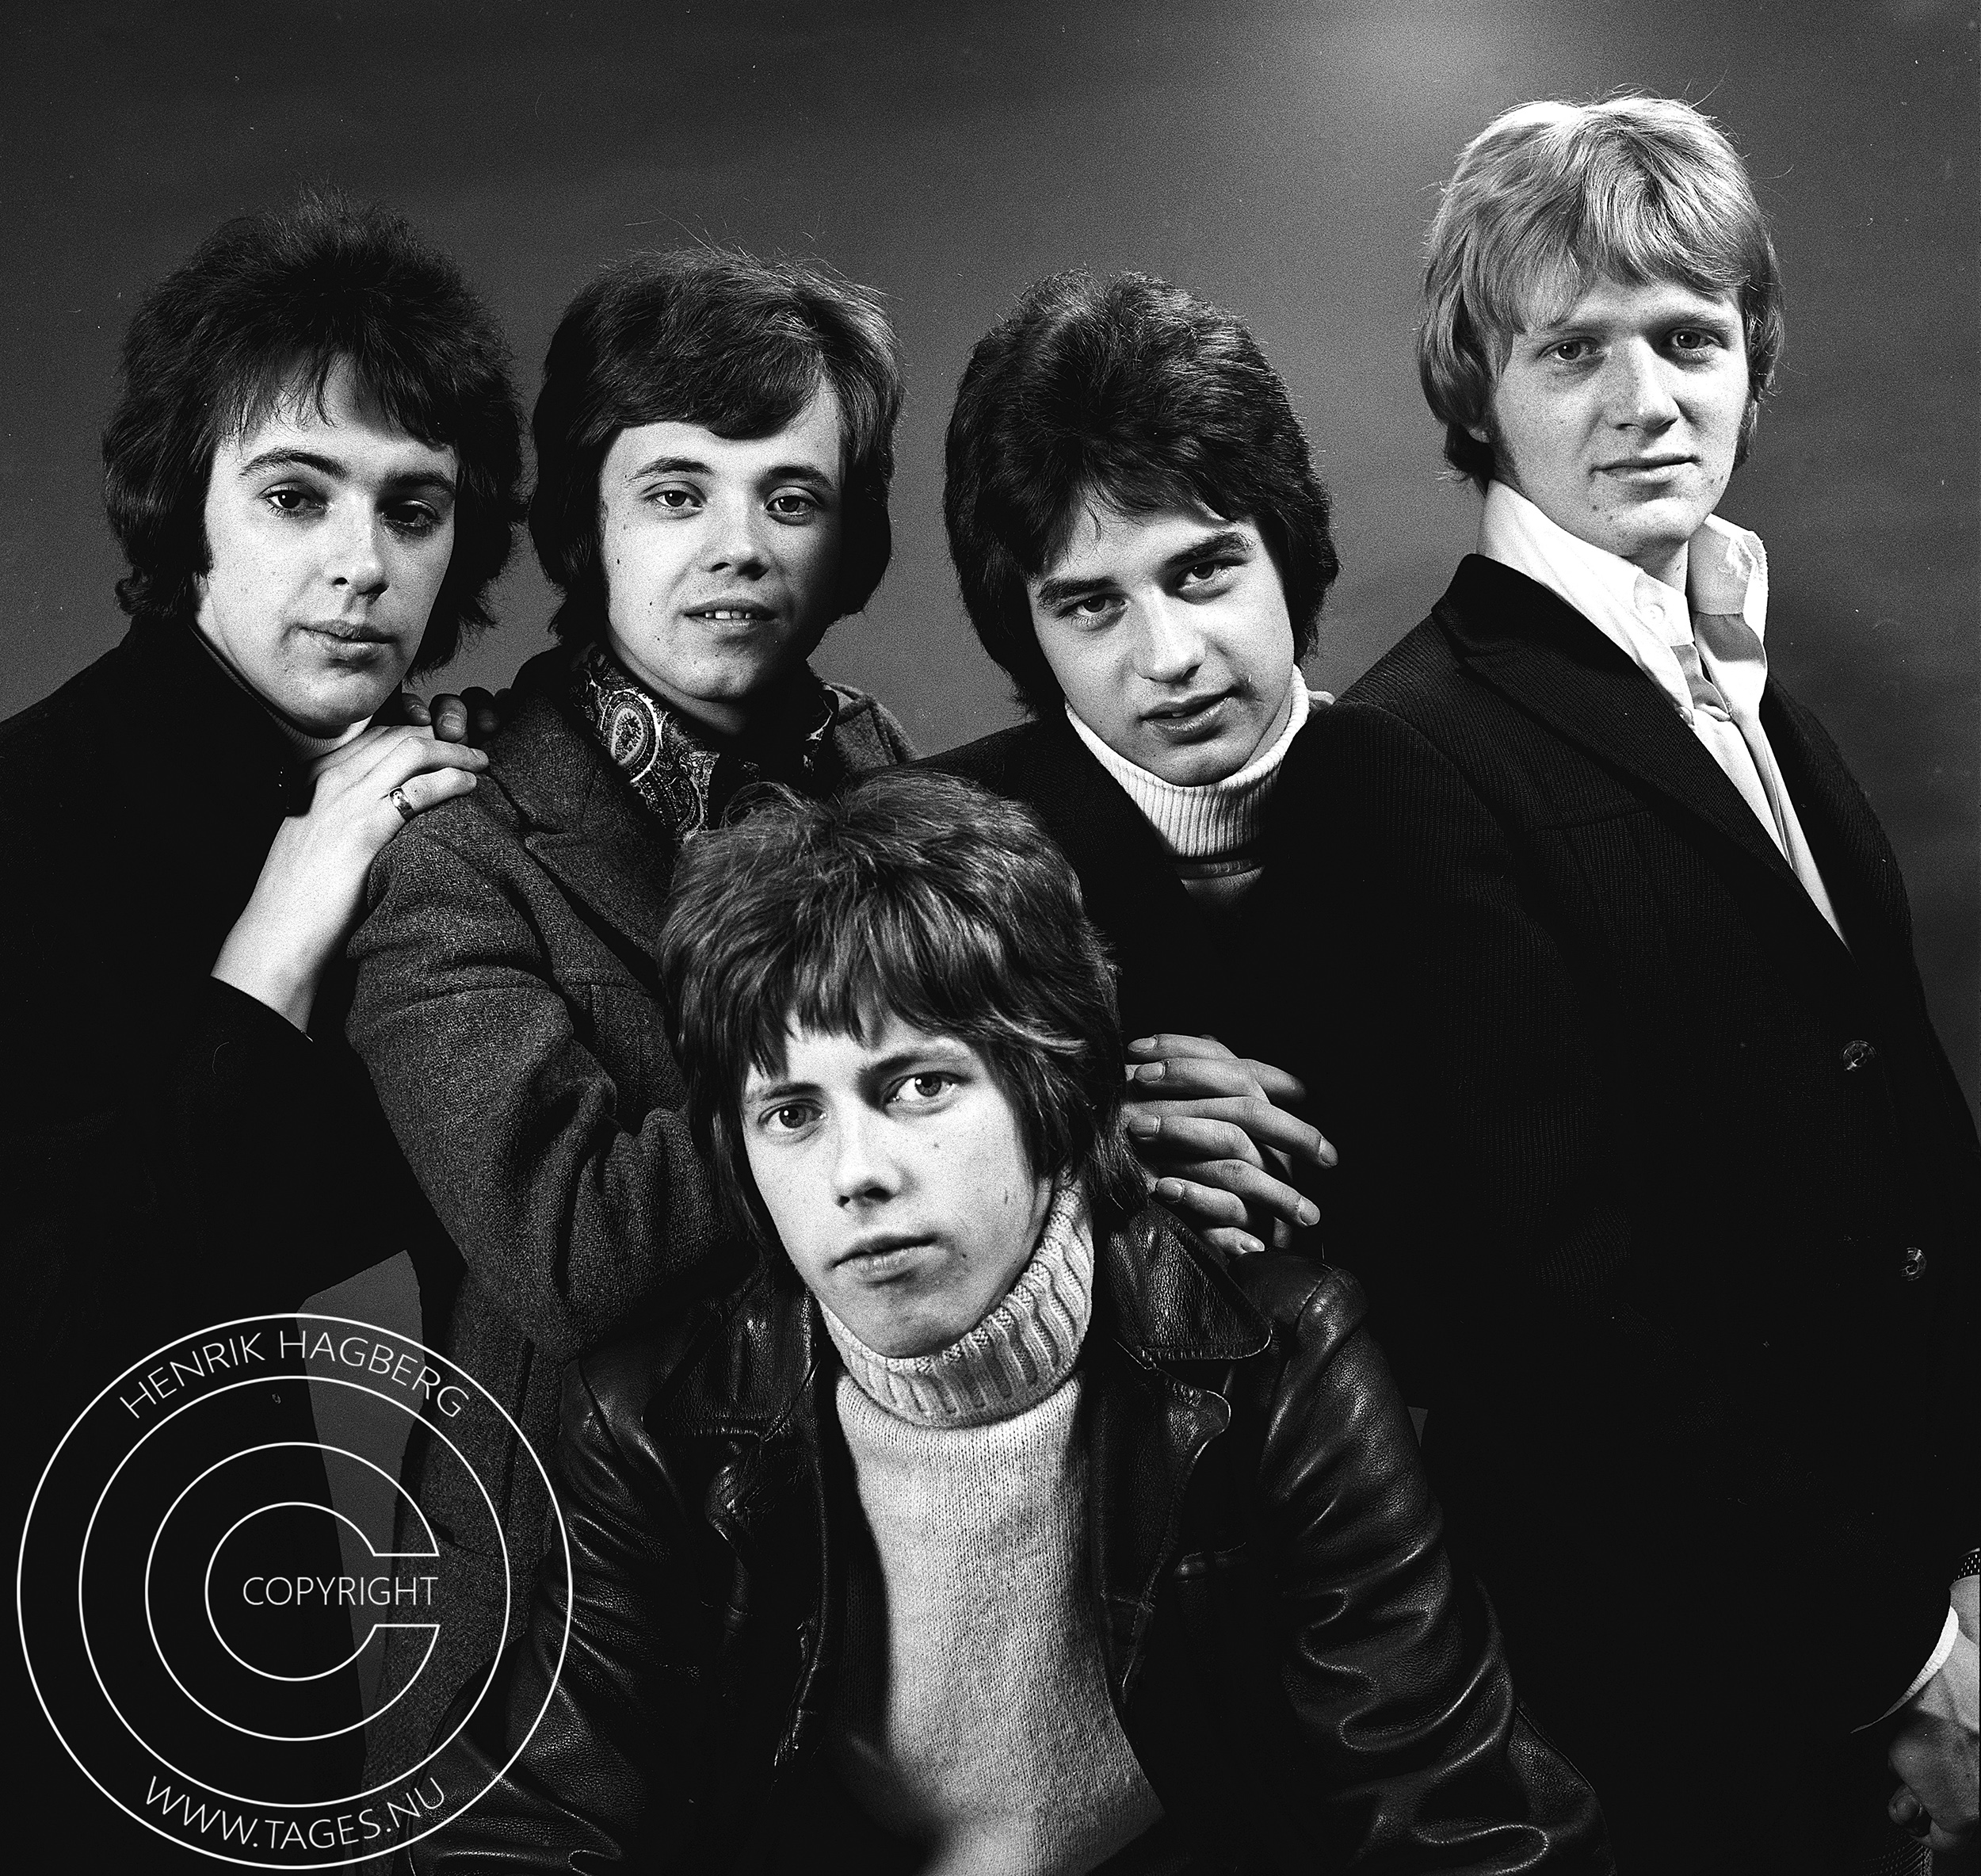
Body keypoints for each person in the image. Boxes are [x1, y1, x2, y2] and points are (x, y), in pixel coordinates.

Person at [409, 768, 1609, 1873]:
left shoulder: (1275, 1360)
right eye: (792, 1113)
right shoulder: (659, 1416)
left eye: (919, 1085)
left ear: (1054, 1092)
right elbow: (528, 1818)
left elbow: (1461, 1810)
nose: (856, 1173)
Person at [1309, 96, 1979, 1867]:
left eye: (1688, 338)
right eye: (1571, 349)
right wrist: (1895, 1661)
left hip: (1919, 1581)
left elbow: (1903, 1142)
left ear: (1753, 359)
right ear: (1475, 388)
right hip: (1723, 1689)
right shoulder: (1411, 752)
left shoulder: (1752, 691)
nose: (1644, 400)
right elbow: (1560, 1313)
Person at [344, 250, 915, 1782]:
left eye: (791, 497)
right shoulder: (455, 834)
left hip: (852, 1608)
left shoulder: (884, 774)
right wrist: (915, 1074)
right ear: (585, 526)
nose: (739, 547)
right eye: (675, 492)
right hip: (561, 1657)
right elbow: (576, 1243)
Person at [0, 190, 522, 1863]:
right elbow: (76, 1308)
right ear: (188, 510)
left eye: (414, 507)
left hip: (260, 1613)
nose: (362, 563)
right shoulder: (33, 810)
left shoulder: (425, 802)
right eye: (296, 494)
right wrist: (270, 952)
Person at [930, 269, 1339, 1263]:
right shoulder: (931, 852)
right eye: (1091, 605)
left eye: (1202, 571)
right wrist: (1088, 1163)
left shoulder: (1450, 779)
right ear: (1026, 629)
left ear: (1286, 551)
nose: (1168, 656)